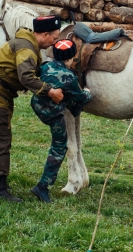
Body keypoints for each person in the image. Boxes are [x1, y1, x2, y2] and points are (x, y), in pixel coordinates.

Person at [0, 15, 64, 202]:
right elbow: (26, 77)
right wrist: (50, 91)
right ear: (45, 34)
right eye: (54, 38)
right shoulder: (27, 48)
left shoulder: (27, 43)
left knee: (0, 135)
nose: (54, 42)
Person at [30, 39, 92, 203]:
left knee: (69, 102)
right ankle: (43, 186)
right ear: (71, 58)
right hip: (53, 113)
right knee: (60, 146)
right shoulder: (69, 76)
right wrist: (87, 92)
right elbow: (81, 98)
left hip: (37, 105)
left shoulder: (45, 66)